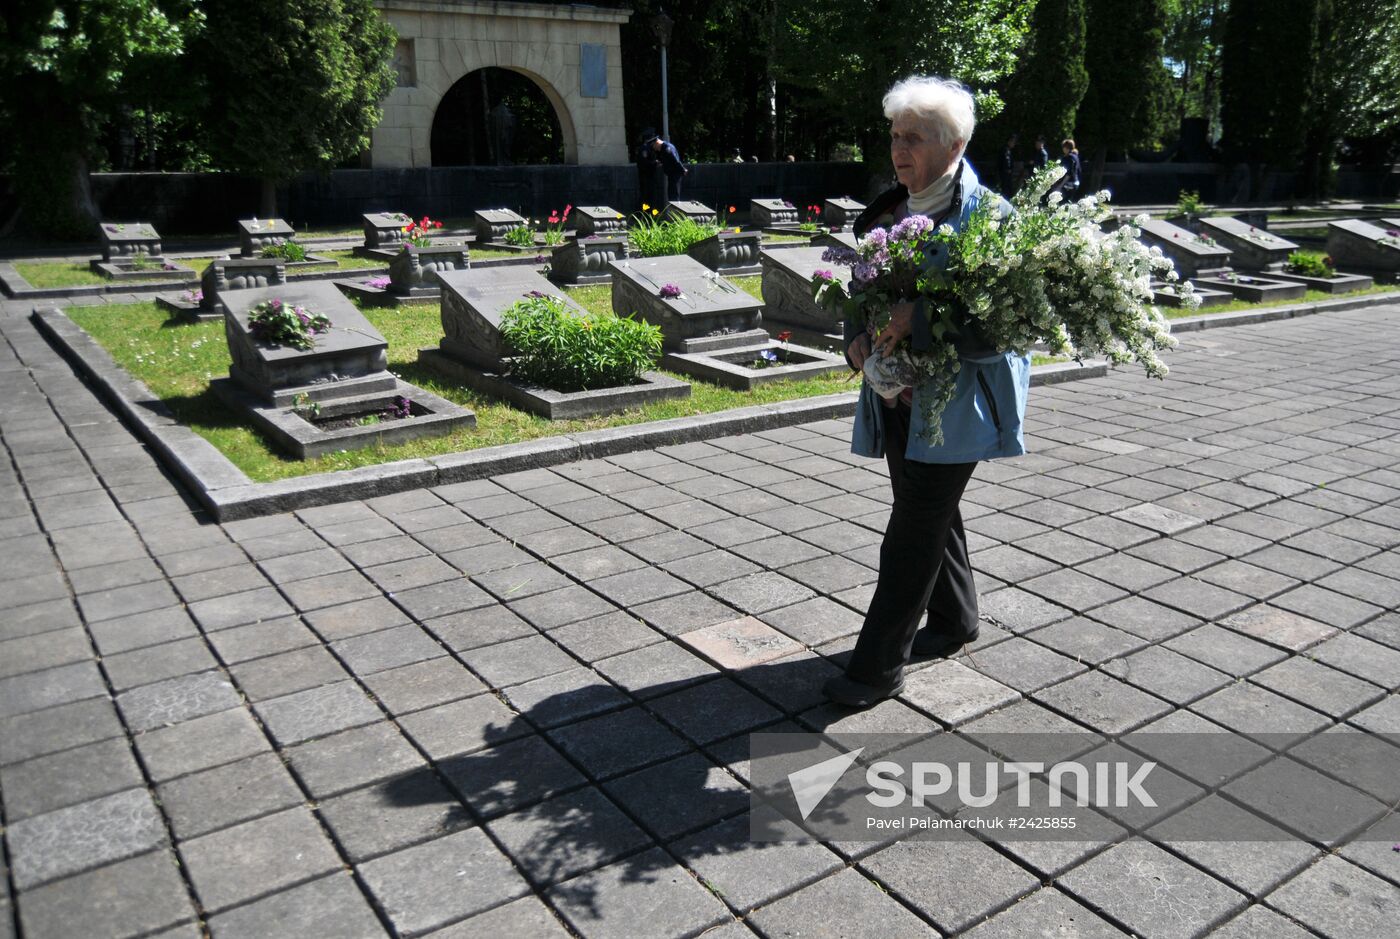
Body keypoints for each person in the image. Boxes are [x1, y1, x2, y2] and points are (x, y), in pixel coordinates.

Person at [824, 75, 1031, 708]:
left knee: (911, 531)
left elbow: (1006, 324)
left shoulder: (992, 220)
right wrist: (856, 335)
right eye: (894, 136)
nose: (899, 149)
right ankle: (955, 619)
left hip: (956, 408)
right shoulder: (886, 211)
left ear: (956, 143)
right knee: (932, 513)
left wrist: (923, 317)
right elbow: (860, 292)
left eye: (914, 137)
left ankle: (874, 670)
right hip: (895, 401)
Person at [647, 134, 688, 203]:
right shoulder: (663, 148)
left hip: (675, 173)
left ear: (657, 143)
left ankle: (676, 212)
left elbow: (675, 160)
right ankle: (673, 212)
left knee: (674, 195)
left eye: (653, 146)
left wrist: (683, 169)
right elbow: (667, 160)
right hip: (672, 174)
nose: (654, 148)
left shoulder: (666, 148)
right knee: (671, 195)